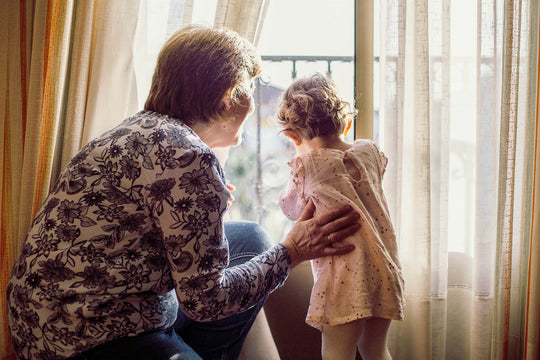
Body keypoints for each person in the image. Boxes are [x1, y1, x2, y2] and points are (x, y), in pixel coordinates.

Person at [6, 26, 361, 360]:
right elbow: (206, 300)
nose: (251, 103)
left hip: (36, 321)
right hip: (90, 340)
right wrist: (293, 251)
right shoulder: (190, 157)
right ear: (228, 96)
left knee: (251, 238)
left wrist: (204, 208)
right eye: (249, 91)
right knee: (260, 258)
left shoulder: (134, 129)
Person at [277, 73, 405, 360]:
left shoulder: (307, 165)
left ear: (292, 136)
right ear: (346, 123)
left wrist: (296, 175)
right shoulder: (368, 150)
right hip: (384, 269)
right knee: (375, 350)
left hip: (344, 280)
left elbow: (292, 209)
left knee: (337, 353)